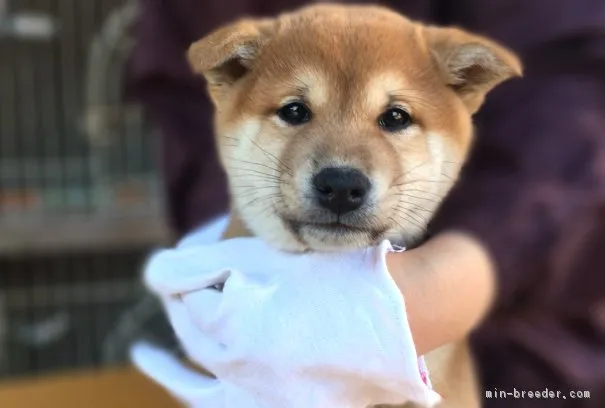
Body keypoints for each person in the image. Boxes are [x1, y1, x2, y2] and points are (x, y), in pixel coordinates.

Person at [126, 0, 605, 406]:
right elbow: (186, 109)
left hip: (536, 374)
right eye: (296, 111)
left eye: (394, 118)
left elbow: (571, 101)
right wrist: (238, 264)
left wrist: (457, 277)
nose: (341, 169)